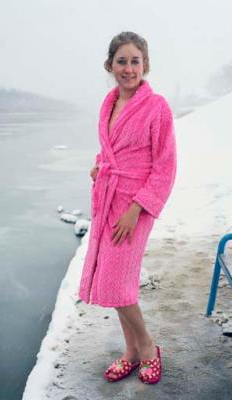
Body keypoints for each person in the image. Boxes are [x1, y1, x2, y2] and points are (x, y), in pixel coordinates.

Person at [78, 31, 177, 385]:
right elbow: (111, 150)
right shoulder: (109, 103)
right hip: (109, 200)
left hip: (136, 205)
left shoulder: (157, 107)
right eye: (122, 61)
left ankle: (148, 348)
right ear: (110, 65)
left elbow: (165, 166)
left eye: (135, 61)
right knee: (115, 282)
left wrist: (137, 208)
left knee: (118, 283)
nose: (128, 68)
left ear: (145, 65)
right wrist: (99, 165)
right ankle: (132, 351)